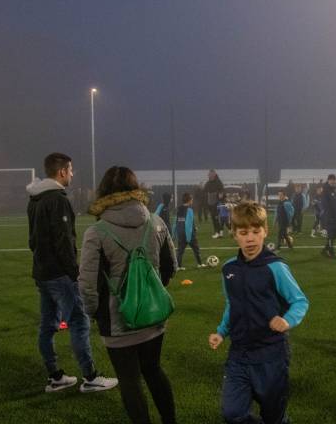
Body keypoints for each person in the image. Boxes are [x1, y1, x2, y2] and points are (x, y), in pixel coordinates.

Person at [79, 166, 178, 424]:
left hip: (116, 320)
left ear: (103, 192)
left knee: (129, 380)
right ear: (136, 188)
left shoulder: (97, 232)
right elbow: (171, 267)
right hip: (153, 314)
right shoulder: (156, 222)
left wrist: (95, 313)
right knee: (153, 369)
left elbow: (87, 285)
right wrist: (150, 294)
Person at [208, 201, 309, 424]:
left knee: (273, 416)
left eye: (256, 231)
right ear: (234, 234)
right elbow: (232, 304)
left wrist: (287, 320)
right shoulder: (229, 269)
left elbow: (300, 301)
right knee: (232, 413)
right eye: (244, 233)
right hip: (239, 353)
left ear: (265, 231)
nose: (250, 239)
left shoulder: (276, 267)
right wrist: (221, 332)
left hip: (271, 354)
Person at [27, 152, 119, 394]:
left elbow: (32, 240)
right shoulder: (57, 199)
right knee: (78, 322)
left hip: (42, 272)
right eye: (70, 170)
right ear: (61, 172)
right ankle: (90, 377)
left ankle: (55, 376)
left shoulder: (34, 198)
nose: (72, 174)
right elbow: (64, 242)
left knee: (48, 325)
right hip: (60, 274)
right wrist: (74, 272)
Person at [174, 193, 205, 270]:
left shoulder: (178, 209)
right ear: (189, 200)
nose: (192, 200)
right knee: (196, 249)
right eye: (192, 199)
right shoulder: (190, 210)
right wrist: (192, 231)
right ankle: (200, 264)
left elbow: (176, 221)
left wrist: (174, 232)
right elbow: (189, 223)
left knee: (180, 251)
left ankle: (178, 266)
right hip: (189, 234)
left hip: (180, 233)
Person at [320, 174, 336, 258]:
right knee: (331, 235)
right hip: (330, 218)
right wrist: (329, 217)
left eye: (334, 179)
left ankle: (324, 250)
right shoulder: (325, 190)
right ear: (328, 180)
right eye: (331, 180)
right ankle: (331, 252)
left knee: (335, 235)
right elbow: (325, 205)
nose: (333, 181)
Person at [204, 170, 224, 238]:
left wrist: (220, 194)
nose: (209, 176)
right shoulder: (208, 183)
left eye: (210, 174)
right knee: (213, 217)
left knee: (216, 217)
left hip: (217, 202)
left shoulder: (218, 182)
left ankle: (218, 232)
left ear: (214, 175)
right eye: (208, 174)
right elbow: (205, 190)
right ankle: (218, 232)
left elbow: (222, 190)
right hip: (210, 202)